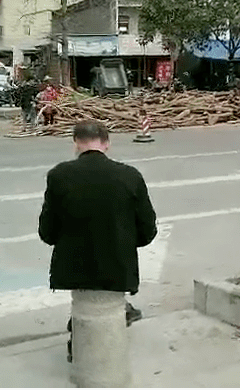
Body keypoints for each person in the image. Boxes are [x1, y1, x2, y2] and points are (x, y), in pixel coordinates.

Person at [37, 120, 158, 363]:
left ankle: (80, 338)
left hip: (72, 270)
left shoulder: (58, 175)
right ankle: (115, 322)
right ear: (107, 144)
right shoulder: (130, 176)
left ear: (75, 144)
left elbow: (47, 233)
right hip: (117, 270)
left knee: (88, 302)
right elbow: (147, 231)